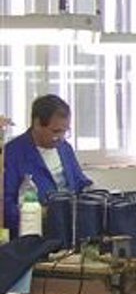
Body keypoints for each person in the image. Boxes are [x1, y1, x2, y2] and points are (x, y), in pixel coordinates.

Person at [4, 95, 93, 236]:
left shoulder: (65, 148)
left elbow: (80, 183)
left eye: (65, 131)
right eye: (56, 131)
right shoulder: (12, 154)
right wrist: (40, 213)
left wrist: (92, 192)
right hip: (34, 233)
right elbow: (5, 206)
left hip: (69, 229)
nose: (61, 137)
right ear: (37, 124)